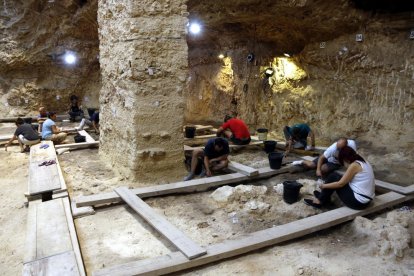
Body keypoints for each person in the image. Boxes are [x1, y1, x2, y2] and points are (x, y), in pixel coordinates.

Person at [304, 146, 375, 210]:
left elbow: (340, 184)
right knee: (337, 177)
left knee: (334, 176)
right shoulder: (362, 161)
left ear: (345, 159)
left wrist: (324, 186)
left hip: (358, 202)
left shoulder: (354, 165)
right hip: (366, 200)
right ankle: (324, 197)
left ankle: (319, 202)